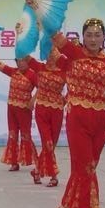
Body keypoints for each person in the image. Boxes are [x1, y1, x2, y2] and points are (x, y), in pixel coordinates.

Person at [42, 9, 105, 208]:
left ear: (104, 37)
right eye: (89, 34)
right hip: (77, 119)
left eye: (97, 35)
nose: (93, 39)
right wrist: (36, 8)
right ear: (83, 37)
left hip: (101, 122)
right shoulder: (73, 54)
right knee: (85, 167)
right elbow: (53, 33)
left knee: (86, 169)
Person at [0, 39, 39, 172]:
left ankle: (36, 160)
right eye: (18, 60)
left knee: (26, 135)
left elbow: (41, 87)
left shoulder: (32, 75)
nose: (20, 63)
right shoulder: (14, 72)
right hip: (11, 108)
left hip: (24, 109)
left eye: (23, 60)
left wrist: (33, 100)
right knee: (12, 135)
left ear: (27, 61)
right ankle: (14, 162)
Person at [31, 47, 67, 187]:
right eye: (49, 53)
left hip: (57, 111)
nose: (51, 56)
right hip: (41, 110)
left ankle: (37, 171)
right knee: (48, 144)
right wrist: (19, 35)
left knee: (51, 145)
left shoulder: (64, 72)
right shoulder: (39, 67)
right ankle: (53, 176)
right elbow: (23, 55)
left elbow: (75, 88)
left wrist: (64, 100)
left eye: (55, 54)